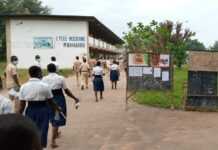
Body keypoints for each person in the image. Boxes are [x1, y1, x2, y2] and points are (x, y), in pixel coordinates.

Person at [17, 66, 61, 149]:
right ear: (39, 73)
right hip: (43, 110)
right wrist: (57, 108)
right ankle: (41, 147)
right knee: (43, 130)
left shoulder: (23, 86)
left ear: (29, 74)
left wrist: (17, 116)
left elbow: (22, 105)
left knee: (31, 130)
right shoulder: (45, 86)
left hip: (30, 110)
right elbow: (51, 101)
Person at [42, 63, 80, 148]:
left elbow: (43, 90)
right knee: (57, 118)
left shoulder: (44, 79)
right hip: (58, 99)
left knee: (52, 117)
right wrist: (75, 98)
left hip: (47, 100)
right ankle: (53, 141)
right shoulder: (60, 78)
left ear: (47, 70)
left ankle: (56, 132)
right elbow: (66, 91)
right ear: (55, 69)